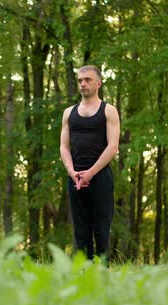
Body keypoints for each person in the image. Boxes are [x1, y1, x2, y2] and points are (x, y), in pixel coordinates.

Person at [59, 65, 120, 261]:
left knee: (102, 229)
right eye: (80, 80)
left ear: (99, 83)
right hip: (75, 178)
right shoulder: (69, 113)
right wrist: (71, 171)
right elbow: (64, 147)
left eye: (88, 80)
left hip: (100, 177)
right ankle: (84, 275)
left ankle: (103, 273)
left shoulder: (109, 111)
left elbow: (113, 147)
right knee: (80, 230)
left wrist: (91, 173)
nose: (83, 84)